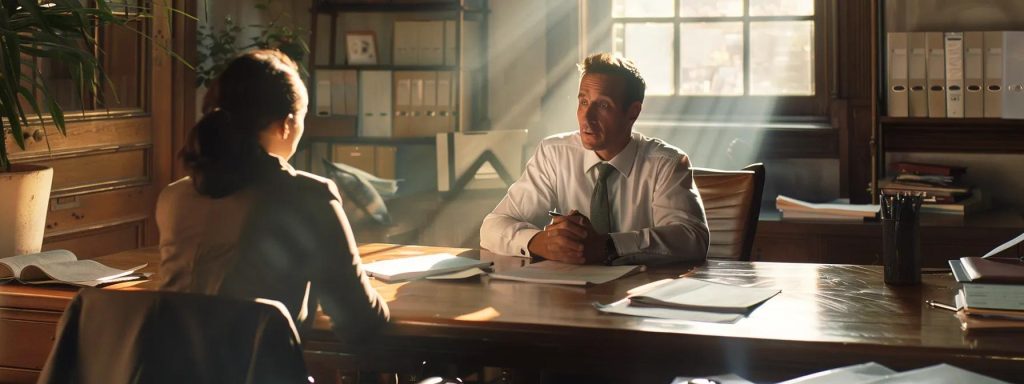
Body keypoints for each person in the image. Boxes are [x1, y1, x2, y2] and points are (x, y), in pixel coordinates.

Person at [156, 50, 388, 340]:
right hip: (258, 364)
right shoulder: (307, 197)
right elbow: (359, 322)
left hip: (167, 362)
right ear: (286, 124)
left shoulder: (174, 197)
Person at [480, 53, 709, 266]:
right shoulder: (554, 154)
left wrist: (608, 246)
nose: (587, 117)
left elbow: (692, 238)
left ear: (633, 112)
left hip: (640, 290)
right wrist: (539, 242)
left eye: (603, 105)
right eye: (583, 102)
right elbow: (492, 226)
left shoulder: (666, 163)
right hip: (569, 289)